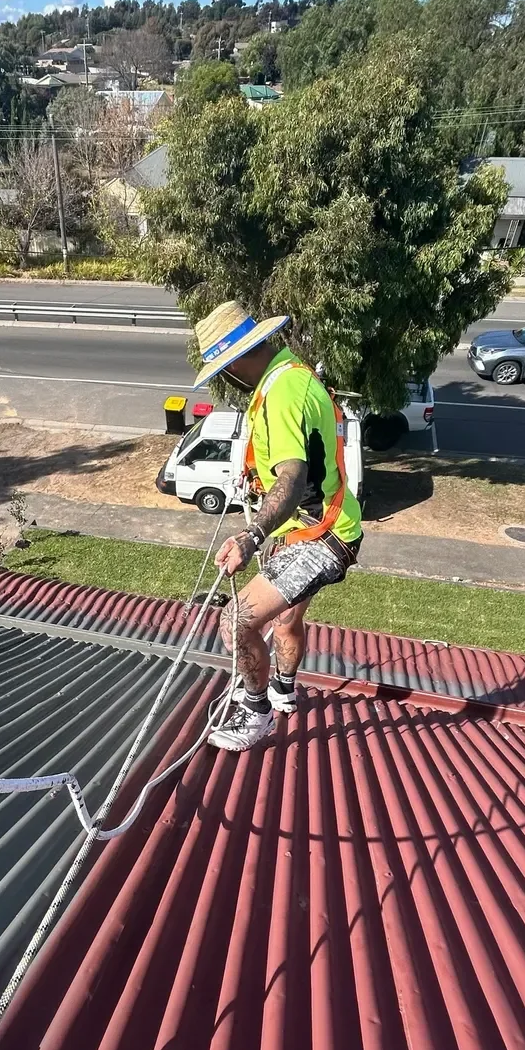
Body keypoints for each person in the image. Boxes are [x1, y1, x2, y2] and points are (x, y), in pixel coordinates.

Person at [190, 300, 363, 753]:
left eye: (223, 370)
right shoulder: (289, 375)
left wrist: (251, 535)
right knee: (285, 617)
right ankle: (283, 690)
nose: (225, 379)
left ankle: (257, 711)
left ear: (236, 362)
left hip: (321, 535)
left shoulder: (283, 393)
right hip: (313, 526)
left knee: (236, 621)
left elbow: (292, 478)